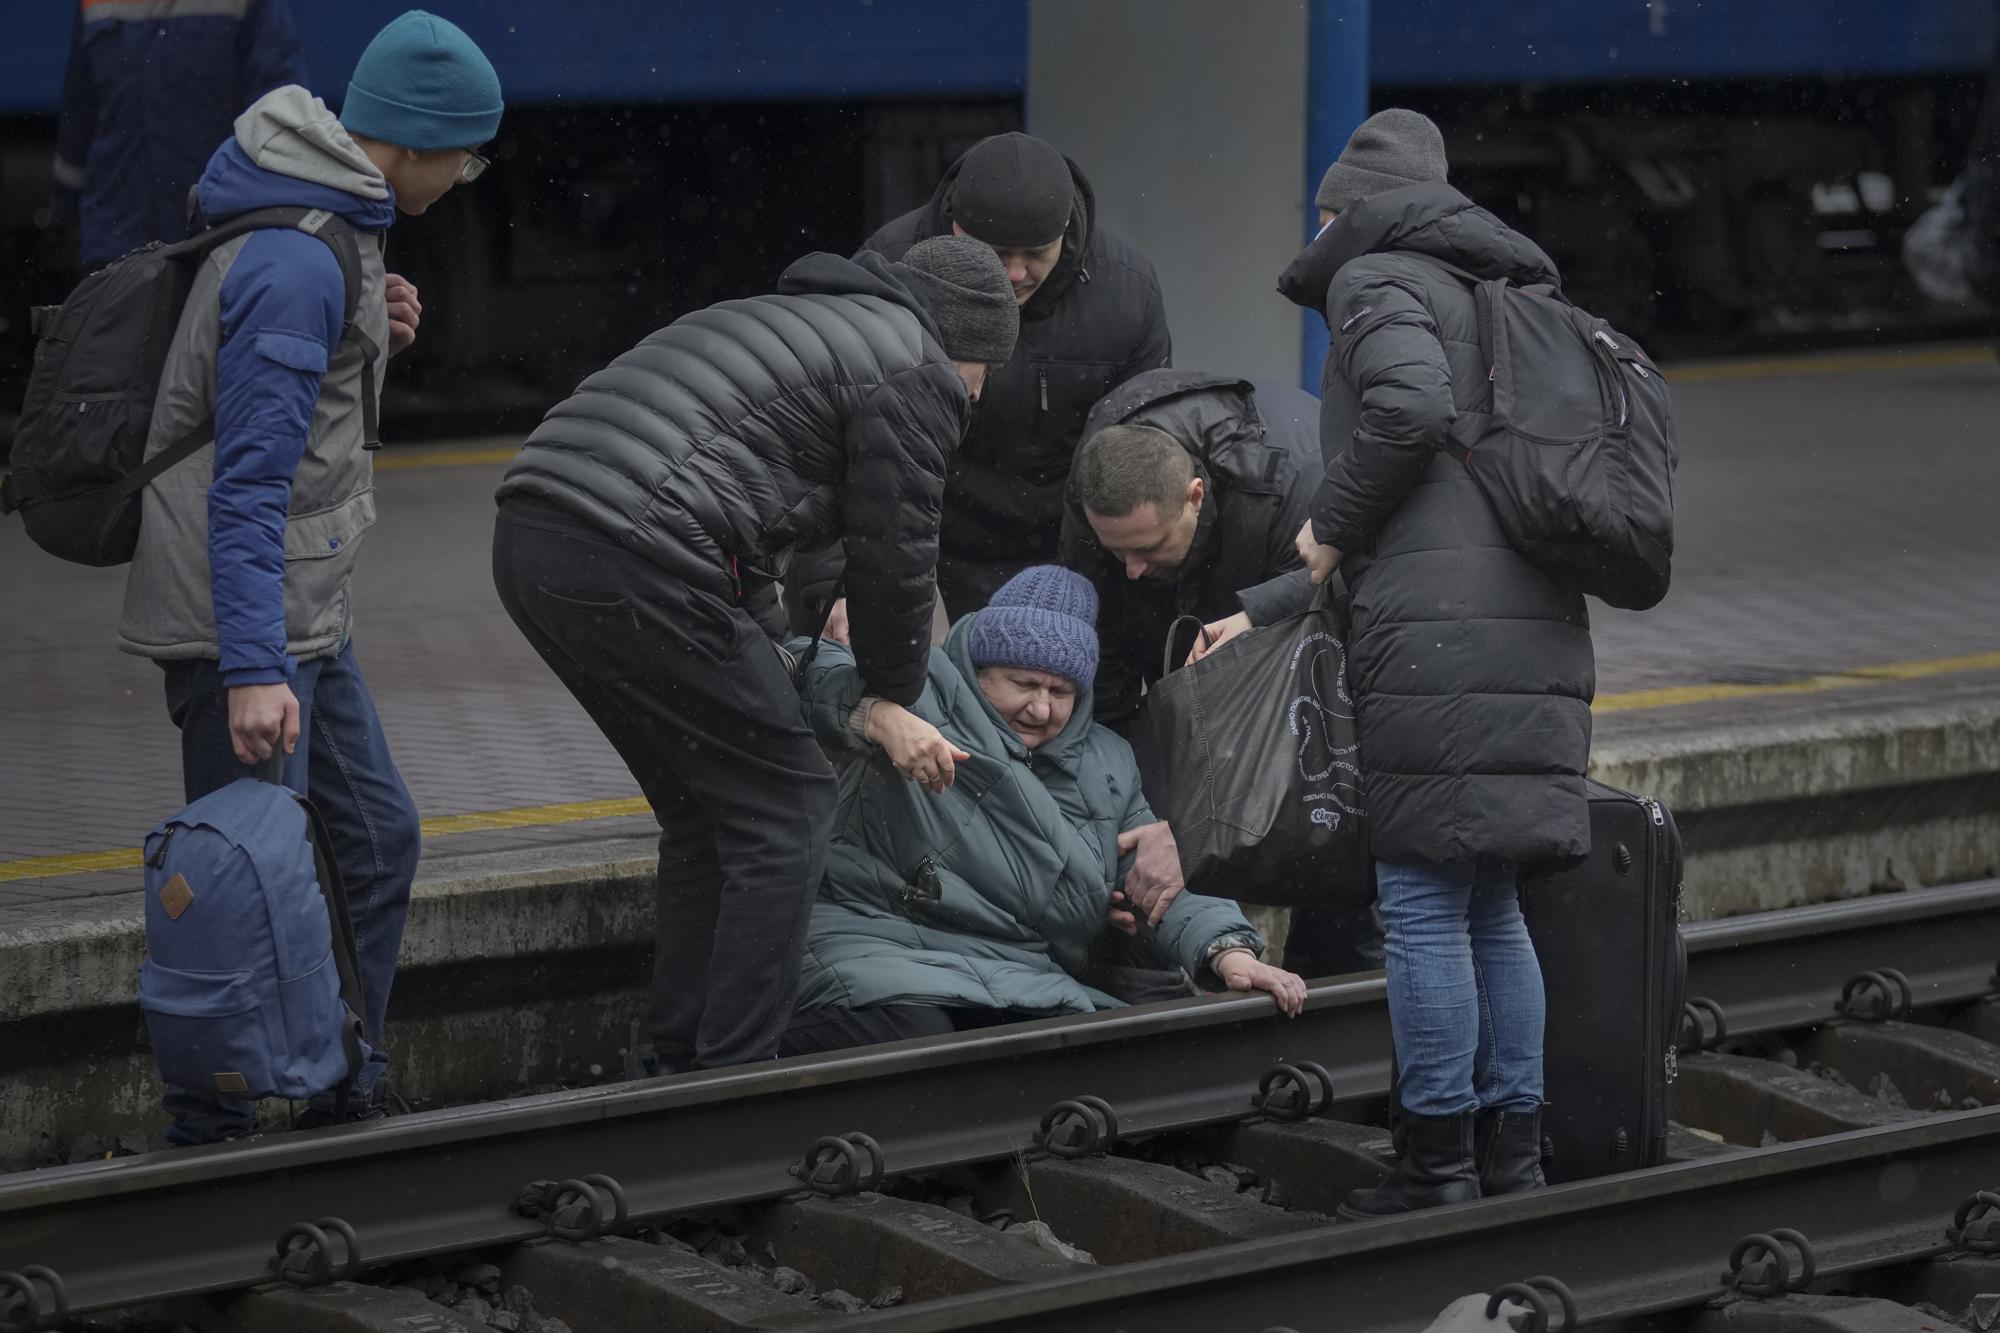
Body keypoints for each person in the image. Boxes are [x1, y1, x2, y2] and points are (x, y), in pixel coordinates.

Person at [492, 236, 1019, 1075]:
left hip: (535, 533)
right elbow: (897, 550)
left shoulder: (808, 322)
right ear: (972, 346)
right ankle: (737, 1077)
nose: (973, 401)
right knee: (788, 808)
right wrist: (890, 691)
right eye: (982, 383)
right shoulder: (919, 368)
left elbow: (745, 533)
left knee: (709, 806)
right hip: (637, 547)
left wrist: (786, 649)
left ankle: (678, 1058)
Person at [116, 11, 504, 1144]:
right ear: (415, 145)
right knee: (239, 895)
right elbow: (245, 485)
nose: (465, 176)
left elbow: (298, 397)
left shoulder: (331, 231)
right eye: (464, 156)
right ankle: (220, 1136)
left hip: (304, 616)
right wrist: (248, 669)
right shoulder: (297, 259)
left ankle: (339, 1083)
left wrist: (370, 333)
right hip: (251, 629)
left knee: (373, 840)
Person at [1277, 109, 1594, 1215]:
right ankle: (1510, 1156)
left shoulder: (1375, 282)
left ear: (1339, 211)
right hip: (1527, 612)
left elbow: (1409, 410)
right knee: (1489, 901)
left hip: (1434, 627)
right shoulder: (1508, 292)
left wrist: (1328, 527)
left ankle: (1435, 1163)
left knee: (1417, 902)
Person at [783, 565, 1306, 1053]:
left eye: (1061, 691)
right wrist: (877, 717)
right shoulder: (916, 697)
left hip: (1020, 970)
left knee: (1103, 1056)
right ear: (980, 669)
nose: (1041, 708)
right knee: (916, 1037)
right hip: (873, 941)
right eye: (1024, 684)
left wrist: (1229, 952)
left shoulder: (1108, 761)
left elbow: (1157, 878)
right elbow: (807, 671)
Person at [1059, 369, 1382, 978]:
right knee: (1131, 809)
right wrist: (1145, 818)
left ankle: (1336, 986)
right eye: (1115, 551)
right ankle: (1150, 982)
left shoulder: (1291, 478)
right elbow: (1103, 683)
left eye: (1148, 549)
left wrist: (1258, 612)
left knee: (1324, 823)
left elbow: (1342, 596)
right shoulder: (1101, 491)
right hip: (1179, 616)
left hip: (1296, 622)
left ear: (1194, 495)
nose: (1129, 569)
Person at [823, 131, 1171, 623]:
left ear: (1066, 229)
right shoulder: (890, 268)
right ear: (954, 227)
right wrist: (844, 584)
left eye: (1035, 253)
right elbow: (841, 444)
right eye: (994, 252)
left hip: (1071, 550)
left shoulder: (1126, 292)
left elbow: (1142, 446)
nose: (1013, 273)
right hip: (916, 539)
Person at [54, 0, 305, 268]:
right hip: (118, 246)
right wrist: (63, 215)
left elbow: (279, 112)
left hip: (215, 241)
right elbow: (78, 116)